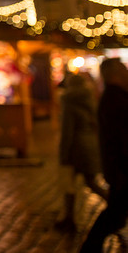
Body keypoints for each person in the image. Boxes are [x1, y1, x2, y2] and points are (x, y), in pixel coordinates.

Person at [80, 58, 128, 252]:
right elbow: (120, 138)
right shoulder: (115, 98)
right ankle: (90, 247)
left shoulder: (115, 97)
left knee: (116, 213)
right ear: (115, 74)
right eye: (124, 69)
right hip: (121, 168)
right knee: (115, 213)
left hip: (119, 167)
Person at [54, 73, 107, 231]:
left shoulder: (69, 101)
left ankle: (69, 218)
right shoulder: (89, 99)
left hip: (76, 148)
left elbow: (67, 131)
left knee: (70, 182)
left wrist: (63, 153)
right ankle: (68, 217)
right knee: (90, 181)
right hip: (89, 145)